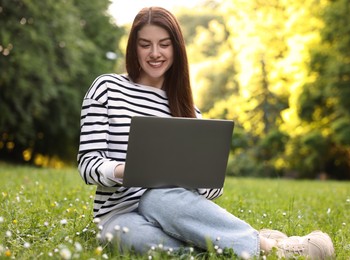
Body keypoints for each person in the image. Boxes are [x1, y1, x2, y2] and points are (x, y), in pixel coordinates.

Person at [77, 6, 335, 259]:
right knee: (135, 238)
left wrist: (198, 180)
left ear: (176, 48)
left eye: (164, 44)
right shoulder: (107, 88)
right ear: (134, 47)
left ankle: (274, 250)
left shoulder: (189, 111)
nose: (155, 53)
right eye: (145, 44)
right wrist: (128, 170)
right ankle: (263, 244)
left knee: (157, 198)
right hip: (118, 215)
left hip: (170, 205)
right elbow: (88, 164)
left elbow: (211, 192)